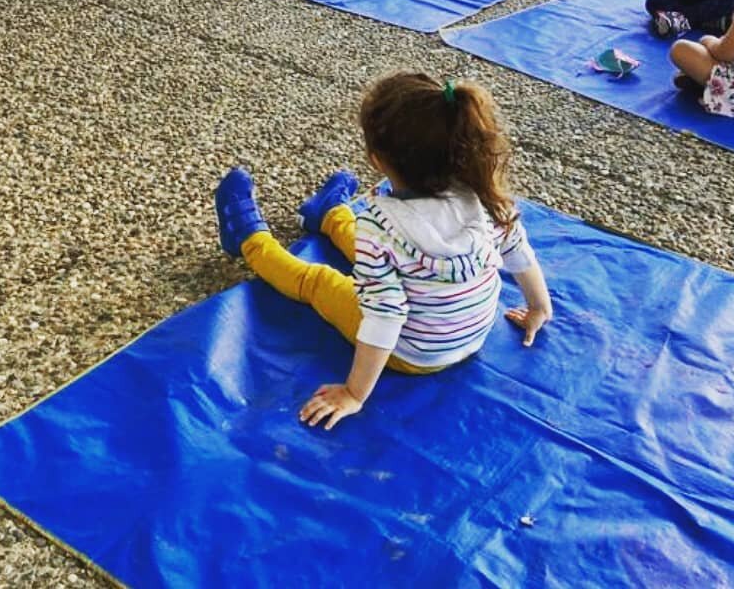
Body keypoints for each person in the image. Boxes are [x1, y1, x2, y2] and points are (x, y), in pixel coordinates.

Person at [214, 73, 553, 431]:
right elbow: (519, 251)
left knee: (320, 280)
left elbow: (385, 318)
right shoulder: (484, 195)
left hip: (413, 354)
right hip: (471, 337)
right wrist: (539, 308)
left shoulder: (381, 227)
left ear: (376, 160)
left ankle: (249, 242)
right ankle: (328, 214)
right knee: (375, 252)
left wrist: (355, 393)